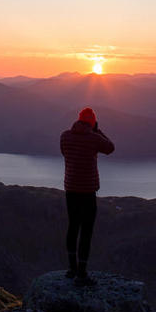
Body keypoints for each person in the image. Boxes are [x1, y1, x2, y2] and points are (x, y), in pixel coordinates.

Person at [59, 107, 115, 286]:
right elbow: (110, 148)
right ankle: (82, 274)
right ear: (92, 122)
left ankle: (72, 268)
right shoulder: (94, 138)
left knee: (73, 227)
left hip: (71, 190)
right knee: (86, 231)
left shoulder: (65, 136)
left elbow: (65, 153)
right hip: (88, 191)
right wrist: (98, 131)